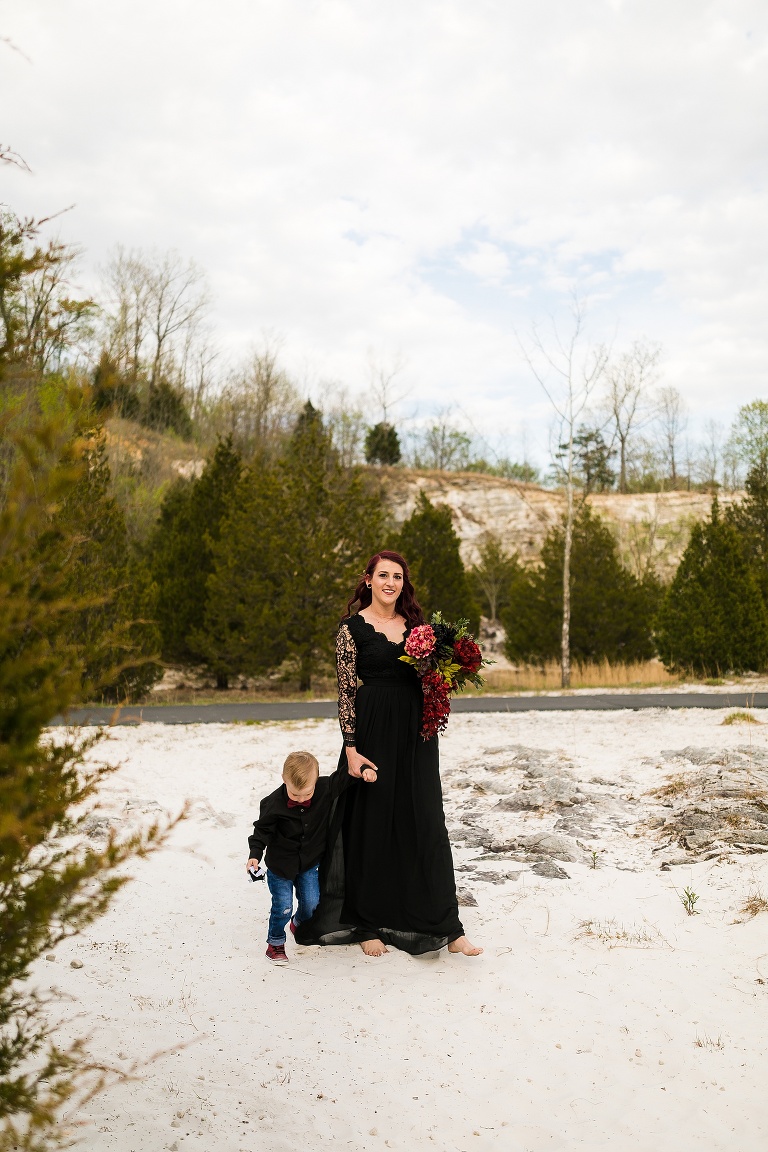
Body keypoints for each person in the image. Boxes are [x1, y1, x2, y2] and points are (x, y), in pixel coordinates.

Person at [295, 551, 482, 958]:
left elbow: (435, 678)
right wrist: (350, 749)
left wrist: (450, 672)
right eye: (383, 575)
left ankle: (447, 926)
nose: (390, 583)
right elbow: (346, 693)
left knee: (427, 821)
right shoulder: (351, 629)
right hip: (372, 729)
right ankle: (366, 922)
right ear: (368, 580)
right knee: (371, 824)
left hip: (417, 734)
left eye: (397, 576)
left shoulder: (419, 627)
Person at [246, 749, 375, 963]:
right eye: (295, 794)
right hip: (281, 868)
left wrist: (364, 771)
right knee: (283, 907)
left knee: (312, 903)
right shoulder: (272, 804)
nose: (301, 798)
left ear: (316, 781)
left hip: (308, 864)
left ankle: (298, 923)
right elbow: (261, 832)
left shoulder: (324, 788)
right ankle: (275, 942)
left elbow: (344, 777)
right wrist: (254, 855)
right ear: (284, 780)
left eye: (307, 793)